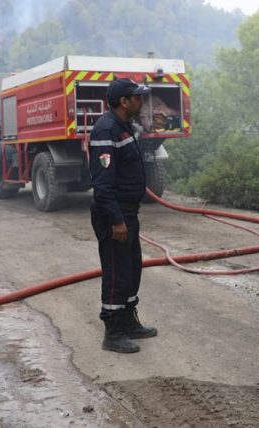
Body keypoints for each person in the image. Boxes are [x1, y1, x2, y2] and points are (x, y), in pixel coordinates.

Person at [89, 78, 157, 353]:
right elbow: (103, 183)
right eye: (137, 97)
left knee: (132, 270)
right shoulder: (106, 130)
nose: (142, 101)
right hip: (114, 216)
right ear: (124, 102)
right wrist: (116, 220)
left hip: (129, 212)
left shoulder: (123, 126)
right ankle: (113, 333)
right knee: (117, 273)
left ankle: (128, 322)